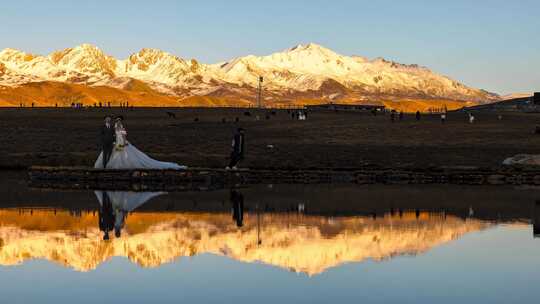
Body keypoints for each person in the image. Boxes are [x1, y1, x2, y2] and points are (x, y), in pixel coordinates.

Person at [94, 116, 186, 169]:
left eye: (119, 120)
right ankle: (110, 165)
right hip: (117, 142)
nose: (117, 121)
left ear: (120, 121)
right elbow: (114, 134)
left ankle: (121, 165)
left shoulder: (121, 127)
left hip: (121, 141)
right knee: (117, 153)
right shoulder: (114, 127)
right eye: (117, 120)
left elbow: (124, 135)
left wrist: (125, 141)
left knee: (122, 153)